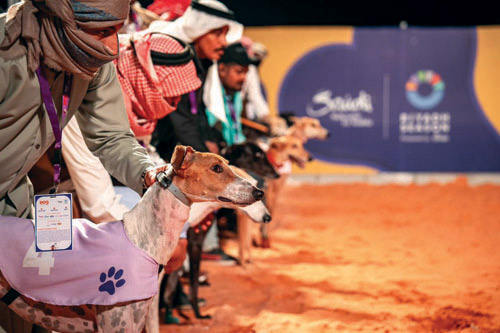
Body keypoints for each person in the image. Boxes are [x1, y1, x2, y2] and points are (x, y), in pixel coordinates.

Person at [0, 1, 164, 331]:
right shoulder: (6, 54)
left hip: (13, 213)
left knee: (16, 319)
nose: (111, 49)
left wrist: (149, 174)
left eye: (117, 32)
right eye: (102, 32)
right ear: (61, 22)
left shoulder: (91, 60)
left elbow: (112, 136)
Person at [206, 41, 253, 147]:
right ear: (222, 70)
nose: (243, 78)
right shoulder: (209, 95)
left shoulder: (236, 96)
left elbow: (237, 135)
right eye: (239, 72)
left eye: (246, 72)